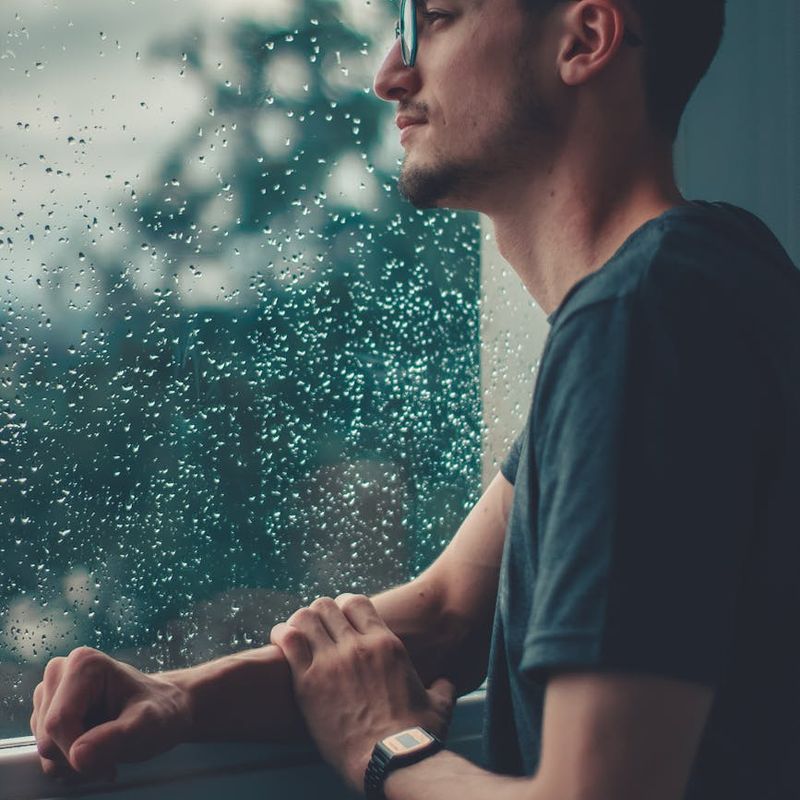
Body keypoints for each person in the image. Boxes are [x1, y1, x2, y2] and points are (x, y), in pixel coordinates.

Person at [29, 0, 800, 798]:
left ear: (585, 39)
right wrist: (179, 695)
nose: (389, 73)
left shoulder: (639, 322)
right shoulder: (714, 272)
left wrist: (383, 745)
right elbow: (448, 615)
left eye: (436, 17)